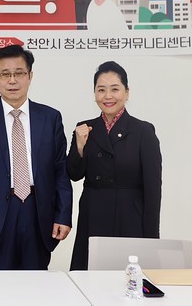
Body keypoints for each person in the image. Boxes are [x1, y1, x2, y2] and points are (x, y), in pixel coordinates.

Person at [0, 45, 73, 270]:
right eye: (5, 74)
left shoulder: (50, 117)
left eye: (19, 73)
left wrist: (63, 214)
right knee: (0, 280)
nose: (12, 80)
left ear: (30, 76)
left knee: (37, 279)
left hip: (38, 208)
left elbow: (60, 169)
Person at [67, 61, 162, 271]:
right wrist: (80, 146)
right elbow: (74, 174)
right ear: (94, 94)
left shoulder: (143, 131)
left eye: (115, 89)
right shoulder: (85, 129)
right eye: (101, 90)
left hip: (130, 219)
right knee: (90, 277)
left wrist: (151, 240)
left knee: (128, 279)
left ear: (127, 92)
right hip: (93, 216)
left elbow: (153, 190)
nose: (107, 96)